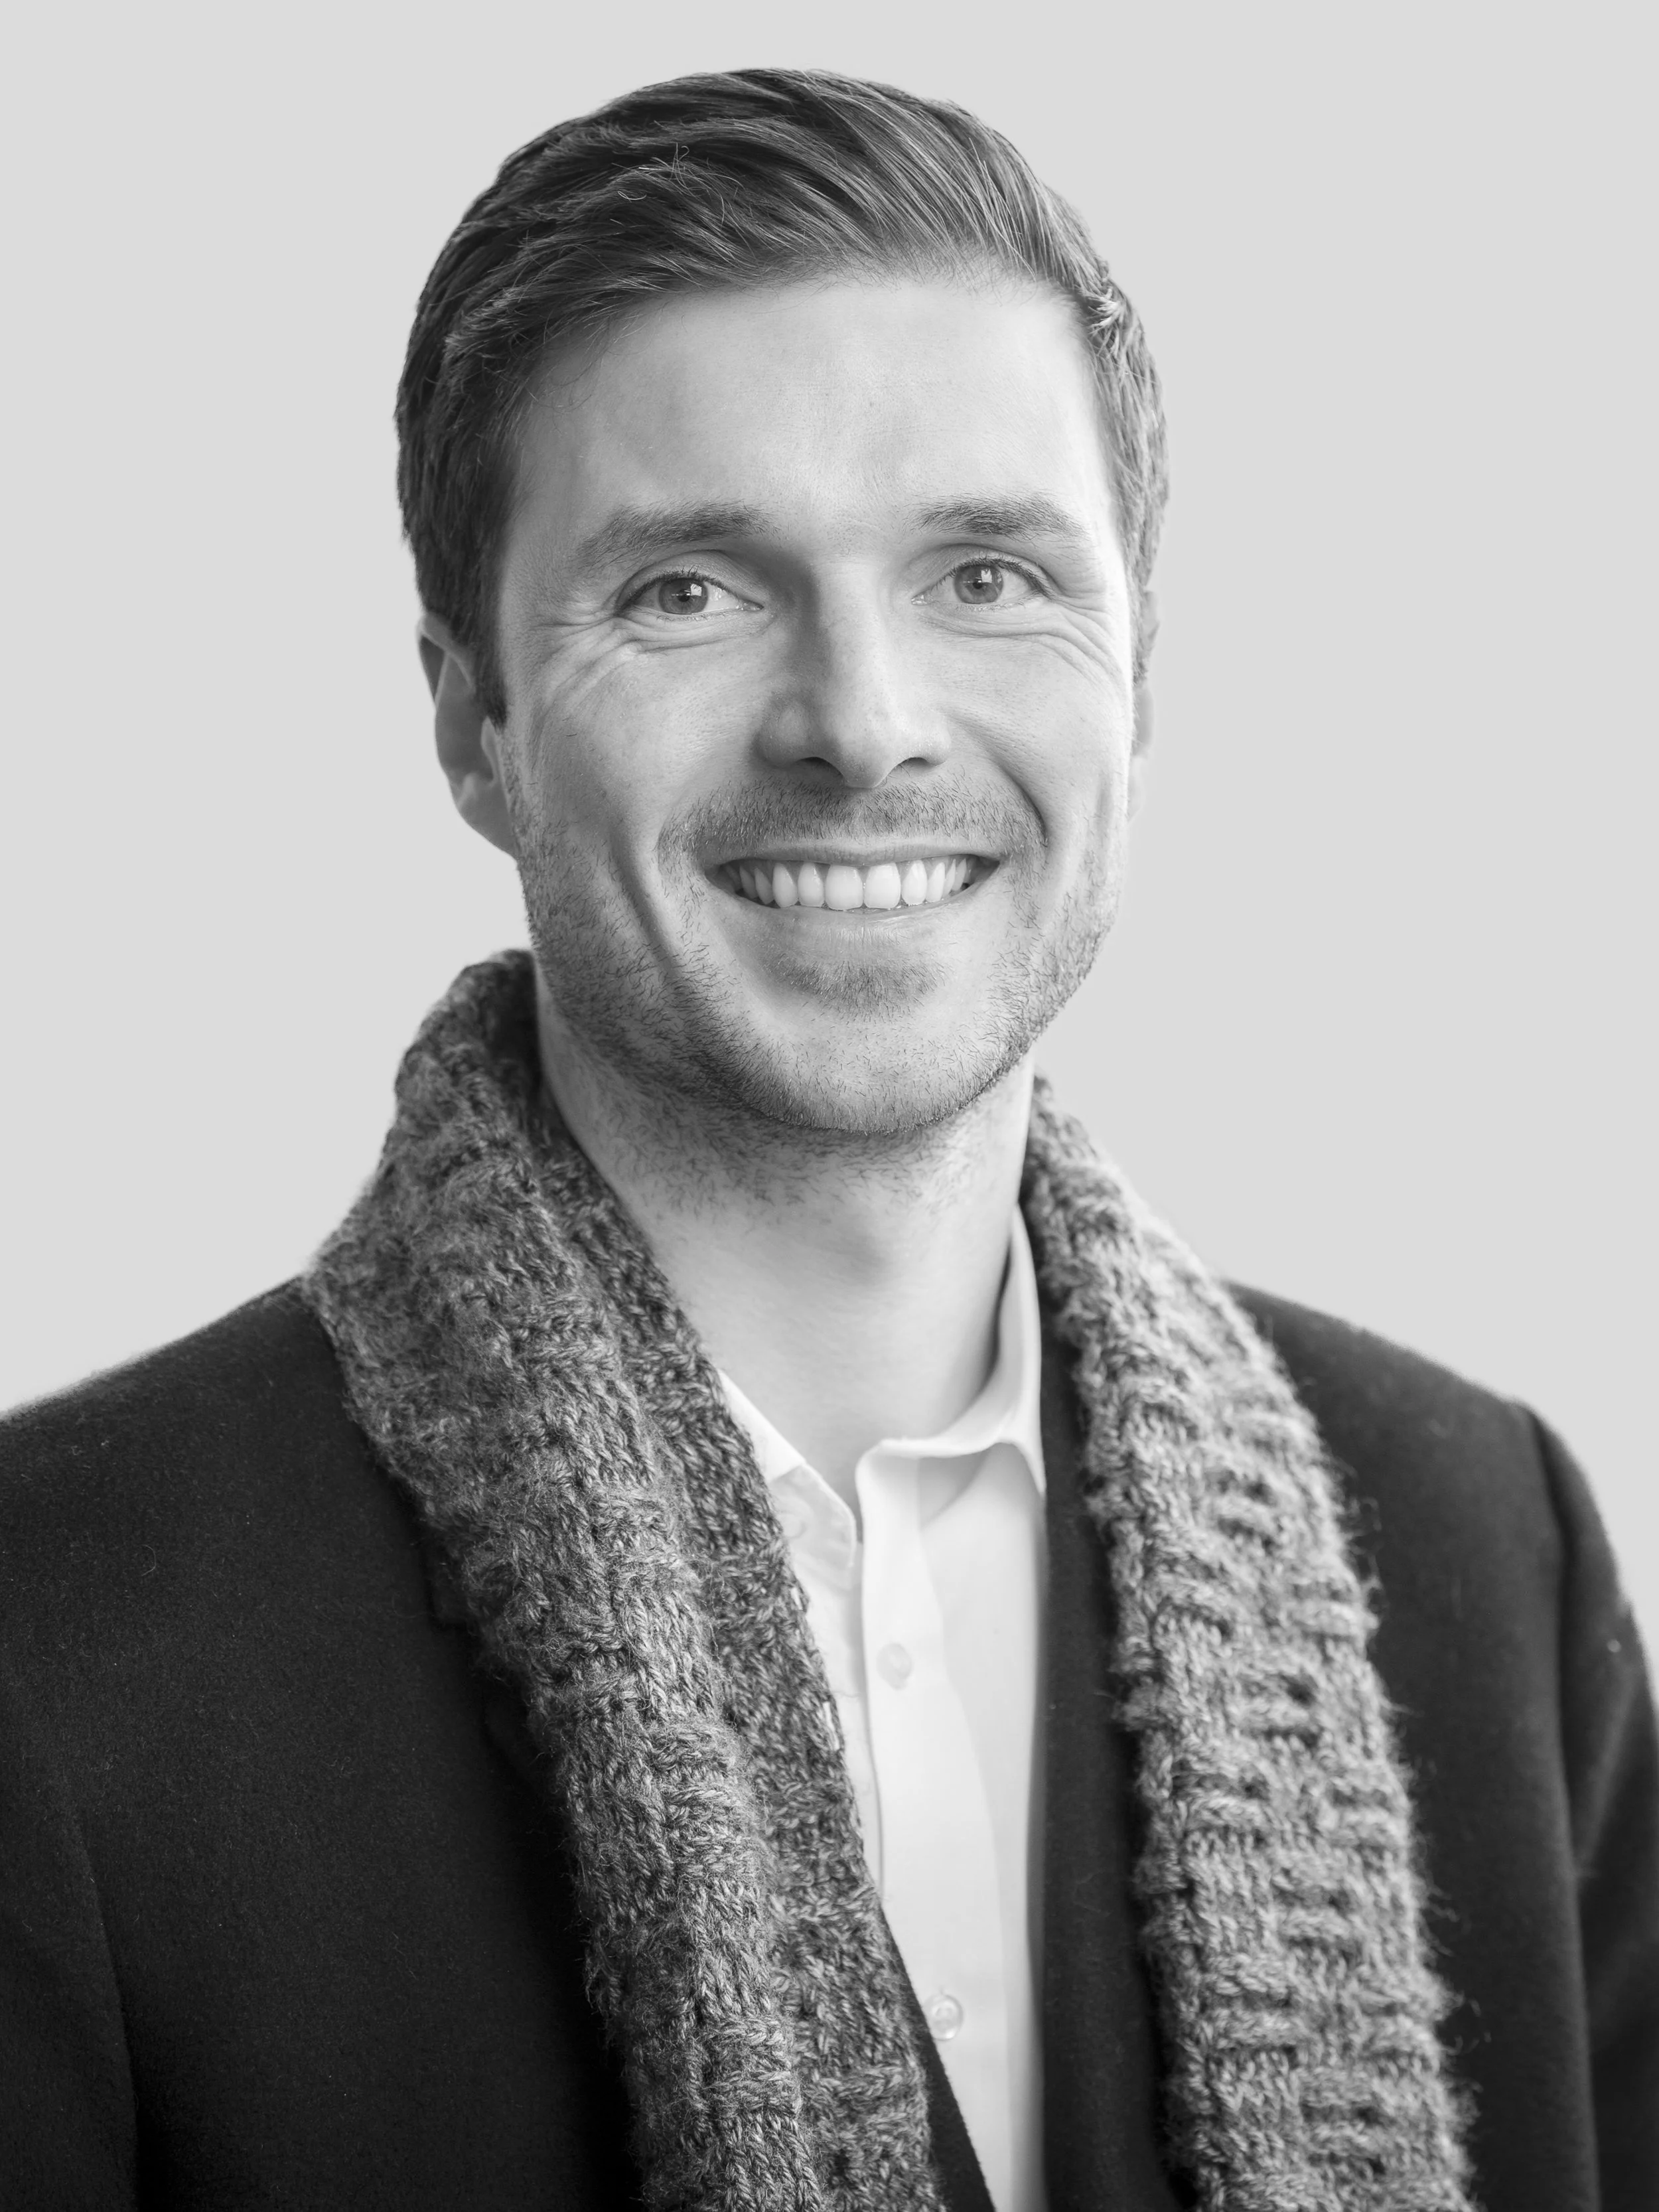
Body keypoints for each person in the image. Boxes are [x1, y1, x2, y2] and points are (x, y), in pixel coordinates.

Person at [1, 67, 1653, 2212]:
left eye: (985, 570)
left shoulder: (1481, 1549)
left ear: (1138, 682)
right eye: (689, 587)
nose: (863, 719)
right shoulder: (54, 1636)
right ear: (472, 716)